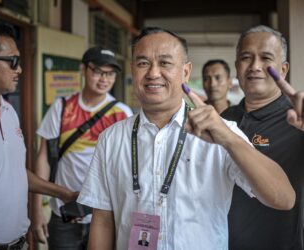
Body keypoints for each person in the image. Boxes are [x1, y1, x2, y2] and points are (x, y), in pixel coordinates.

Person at [77, 27, 295, 250]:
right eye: (143, 63)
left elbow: (283, 199)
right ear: (133, 69)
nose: (153, 73)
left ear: (186, 72)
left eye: (165, 63)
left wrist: (230, 140)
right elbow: (103, 219)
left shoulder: (221, 132)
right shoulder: (111, 138)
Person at [0, 20, 77, 250]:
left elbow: (12, 172)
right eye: (13, 61)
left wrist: (64, 193)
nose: (19, 69)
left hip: (19, 245)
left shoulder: (8, 111)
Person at [31, 47, 133, 249]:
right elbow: (43, 158)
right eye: (97, 71)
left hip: (105, 216)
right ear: (83, 70)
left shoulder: (122, 114)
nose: (104, 79)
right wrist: (35, 209)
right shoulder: (62, 107)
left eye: (110, 73)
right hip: (64, 215)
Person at [221, 25, 304, 250]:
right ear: (237, 67)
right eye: (246, 58)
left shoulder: (298, 119)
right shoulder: (224, 120)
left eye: (266, 58)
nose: (255, 66)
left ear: (283, 69)